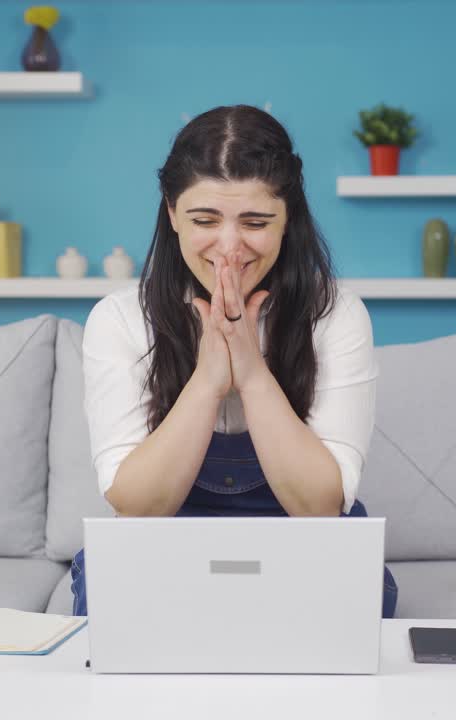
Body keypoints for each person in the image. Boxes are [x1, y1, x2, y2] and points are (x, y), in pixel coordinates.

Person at [72, 104, 398, 618]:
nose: (229, 249)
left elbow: (318, 508)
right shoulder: (119, 320)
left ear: (288, 218)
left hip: (304, 542)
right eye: (205, 220)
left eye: (255, 222)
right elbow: (135, 507)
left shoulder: (336, 315)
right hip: (161, 540)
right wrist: (207, 381)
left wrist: (250, 372)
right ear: (172, 212)